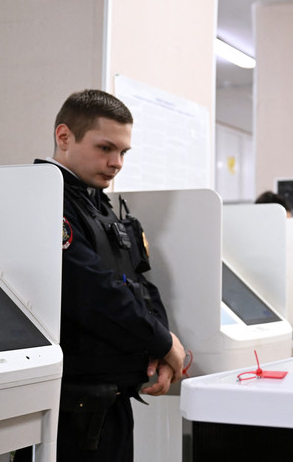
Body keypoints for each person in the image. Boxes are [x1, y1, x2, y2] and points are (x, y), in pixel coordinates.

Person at [29, 90, 186, 461]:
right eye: (105, 148)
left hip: (110, 399)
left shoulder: (96, 200)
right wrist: (163, 343)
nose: (116, 163)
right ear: (64, 136)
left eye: (123, 153)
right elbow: (94, 292)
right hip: (70, 406)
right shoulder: (43, 197)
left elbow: (139, 281)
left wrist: (160, 349)